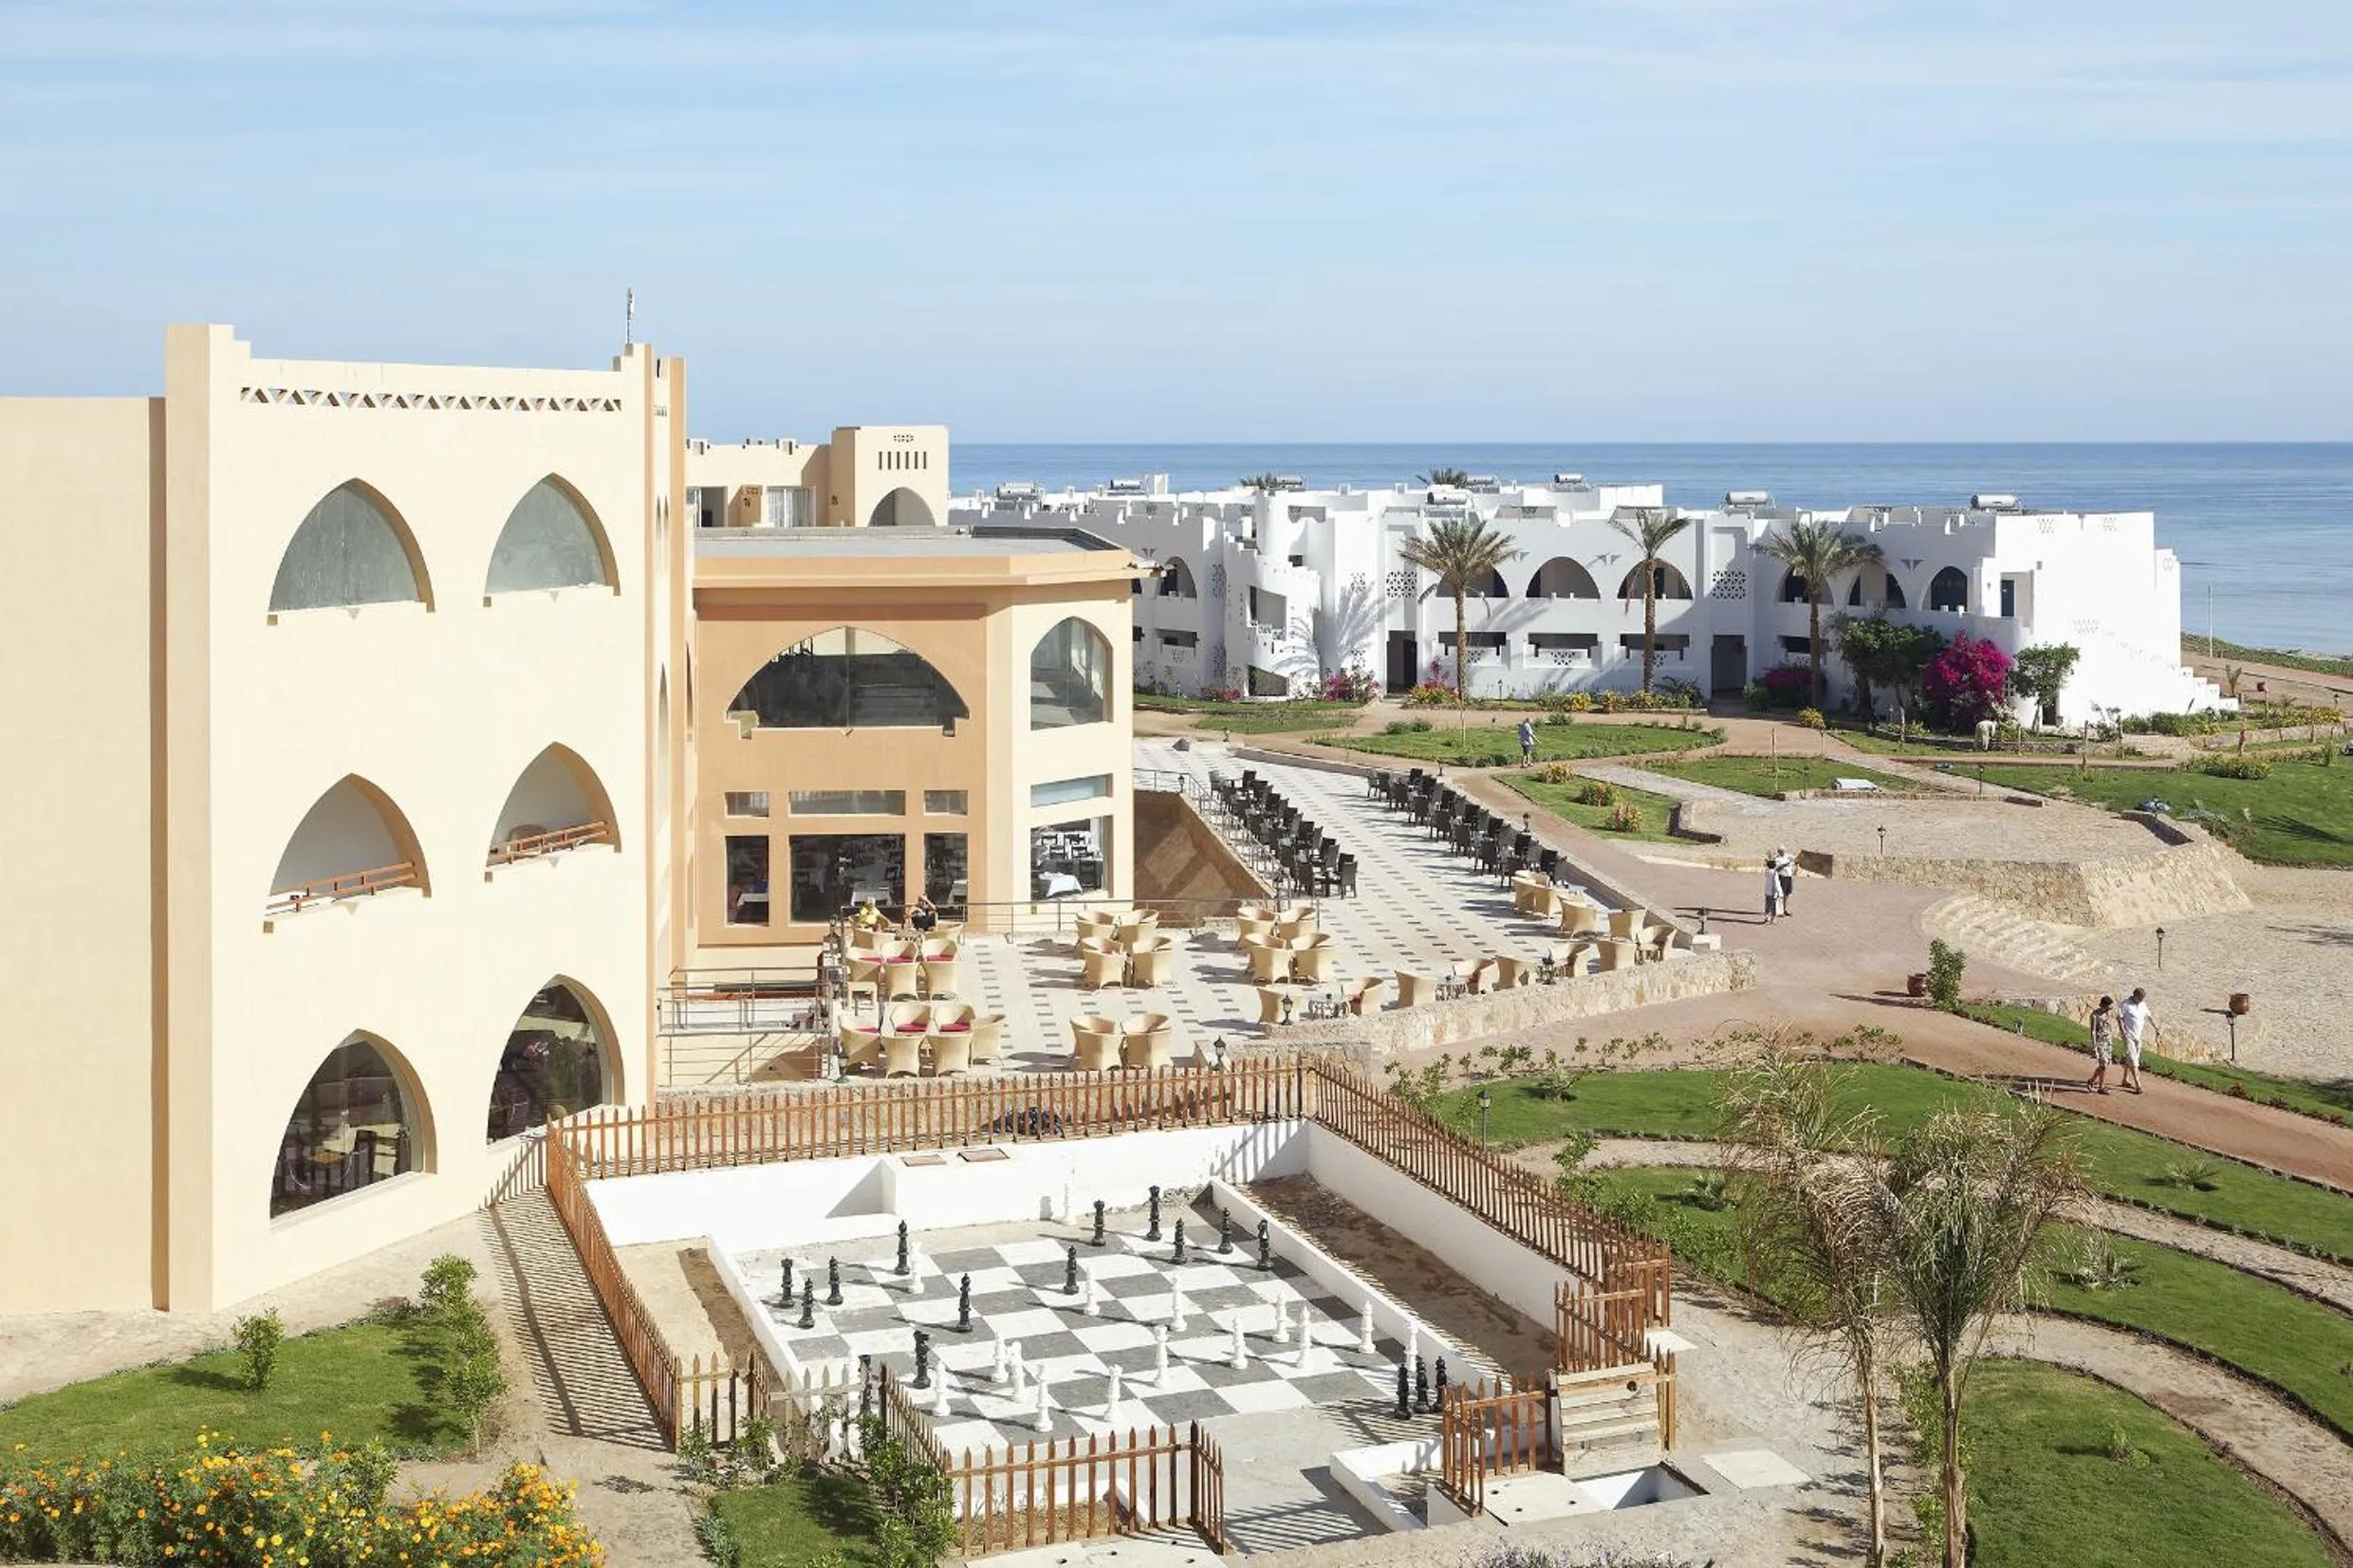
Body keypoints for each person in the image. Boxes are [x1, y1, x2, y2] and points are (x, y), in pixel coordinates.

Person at [2118, 987, 2156, 1094]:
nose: (2141, 1000)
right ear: (2134, 995)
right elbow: (2119, 1018)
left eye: (2143, 998)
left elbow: (2149, 1016)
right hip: (2128, 1036)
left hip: (2138, 1037)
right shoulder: (2125, 1004)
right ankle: (2138, 1085)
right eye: (2140, 998)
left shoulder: (2143, 1005)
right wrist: (2123, 1032)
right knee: (2134, 1061)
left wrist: (2156, 1028)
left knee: (2131, 1058)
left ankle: (2125, 1079)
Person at [2085, 995, 2118, 1095]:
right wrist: (2094, 1046)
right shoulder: (2095, 1016)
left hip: (2108, 1042)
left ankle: (2092, 1080)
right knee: (2103, 1063)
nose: (2110, 1009)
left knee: (2106, 1064)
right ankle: (2101, 1086)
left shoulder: (2108, 1014)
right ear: (2103, 1006)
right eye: (2109, 1007)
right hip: (2100, 1042)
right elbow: (2093, 1031)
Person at [1774, 846, 1797, 916]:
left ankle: (1785, 910)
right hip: (1782, 877)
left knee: (1787, 895)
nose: (1782, 852)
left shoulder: (1788, 856)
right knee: (1781, 894)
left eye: (1783, 850)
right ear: (1778, 851)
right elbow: (1777, 869)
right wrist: (1785, 865)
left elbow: (1795, 859)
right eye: (1780, 851)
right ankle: (1779, 911)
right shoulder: (1777, 859)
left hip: (1789, 877)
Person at [1764, 851, 1784, 923]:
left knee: (1767, 905)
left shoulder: (1766, 872)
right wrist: (1780, 892)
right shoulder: (1775, 873)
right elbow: (1777, 883)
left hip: (1767, 892)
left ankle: (1767, 916)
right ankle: (1773, 918)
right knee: (1774, 906)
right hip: (1773, 892)